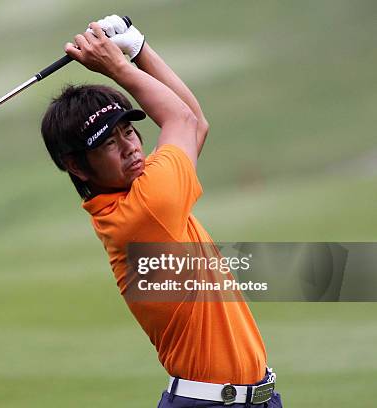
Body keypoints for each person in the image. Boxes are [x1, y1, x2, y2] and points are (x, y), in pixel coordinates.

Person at [40, 15, 283, 407]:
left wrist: (137, 50)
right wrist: (119, 65)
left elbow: (194, 124)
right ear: (77, 165)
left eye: (129, 131)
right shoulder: (146, 211)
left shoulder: (141, 193)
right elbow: (182, 119)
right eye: (108, 144)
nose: (132, 147)